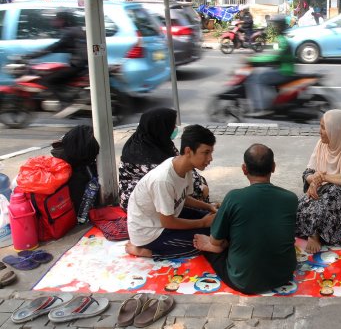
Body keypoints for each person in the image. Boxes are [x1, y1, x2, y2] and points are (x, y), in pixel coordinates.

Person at [193, 144, 298, 294]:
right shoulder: (291, 198)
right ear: (273, 167)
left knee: (215, 242)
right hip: (283, 274)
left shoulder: (234, 197)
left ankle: (219, 247)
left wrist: (213, 244)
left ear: (244, 169)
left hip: (244, 280)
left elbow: (215, 240)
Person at [125, 125, 218, 260]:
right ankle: (147, 251)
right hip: (150, 233)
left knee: (217, 225)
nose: (210, 158)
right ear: (188, 151)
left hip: (168, 215)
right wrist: (202, 223)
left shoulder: (185, 167)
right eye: (206, 152)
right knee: (205, 243)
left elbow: (183, 197)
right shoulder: (163, 180)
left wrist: (209, 206)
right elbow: (167, 222)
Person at [296, 110, 341, 254]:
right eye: (320, 126)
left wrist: (323, 177)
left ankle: (314, 234)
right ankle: (314, 228)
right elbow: (308, 173)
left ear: (336, 131)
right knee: (302, 203)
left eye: (324, 128)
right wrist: (313, 181)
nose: (319, 131)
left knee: (334, 191)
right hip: (322, 193)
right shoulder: (322, 145)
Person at [119, 108, 211, 210]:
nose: (175, 128)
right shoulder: (141, 154)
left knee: (196, 186)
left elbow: (182, 163)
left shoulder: (159, 141)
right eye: (172, 126)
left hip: (163, 190)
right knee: (195, 194)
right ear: (160, 127)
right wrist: (200, 188)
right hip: (139, 202)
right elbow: (170, 180)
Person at [22, 9, 87, 104]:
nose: (53, 22)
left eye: (56, 19)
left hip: (78, 65)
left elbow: (54, 47)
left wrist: (31, 56)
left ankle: (65, 103)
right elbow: (62, 47)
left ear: (62, 20)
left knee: (47, 80)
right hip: (82, 64)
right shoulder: (77, 29)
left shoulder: (69, 32)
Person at [244, 14, 296, 116]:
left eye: (275, 25)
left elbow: (274, 57)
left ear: (280, 26)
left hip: (284, 71)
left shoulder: (282, 40)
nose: (274, 27)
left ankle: (261, 108)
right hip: (283, 69)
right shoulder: (281, 38)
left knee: (256, 79)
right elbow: (274, 56)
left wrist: (254, 60)